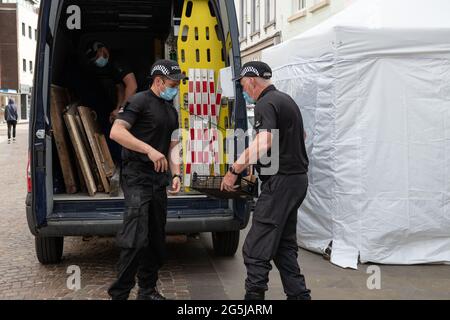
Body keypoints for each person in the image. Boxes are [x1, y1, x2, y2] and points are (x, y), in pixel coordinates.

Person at [221, 61, 311, 300]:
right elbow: (300, 136)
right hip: (297, 181)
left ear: (252, 81)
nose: (243, 92)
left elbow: (265, 141)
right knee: (283, 247)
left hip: (280, 184)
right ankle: (299, 296)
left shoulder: (265, 103)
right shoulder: (285, 100)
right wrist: (256, 162)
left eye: (242, 86)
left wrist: (234, 170)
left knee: (255, 248)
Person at [107, 59, 186, 300]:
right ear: (158, 81)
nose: (176, 88)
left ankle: (148, 290)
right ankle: (119, 294)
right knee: (135, 239)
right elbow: (117, 131)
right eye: (173, 83)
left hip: (158, 181)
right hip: (137, 178)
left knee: (155, 239)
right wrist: (148, 150)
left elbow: (174, 145)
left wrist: (176, 173)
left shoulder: (171, 110)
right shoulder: (139, 100)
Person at [84, 41, 138, 195]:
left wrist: (122, 109)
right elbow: (120, 88)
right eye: (95, 61)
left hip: (142, 97)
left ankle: (135, 174)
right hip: (131, 100)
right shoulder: (109, 66)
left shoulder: (119, 60)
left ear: (102, 50)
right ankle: (123, 167)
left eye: (97, 57)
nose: (98, 61)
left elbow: (132, 86)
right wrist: (117, 109)